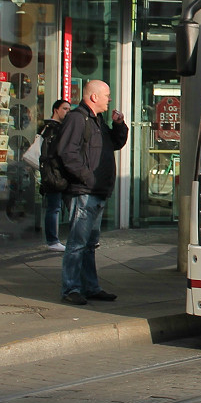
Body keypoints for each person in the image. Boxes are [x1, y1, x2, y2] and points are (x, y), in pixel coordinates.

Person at [58, 80, 129, 306]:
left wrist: (119, 125)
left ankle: (89, 287)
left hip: (97, 191)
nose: (110, 100)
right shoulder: (77, 119)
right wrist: (87, 176)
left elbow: (115, 144)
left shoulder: (96, 121)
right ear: (94, 97)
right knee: (78, 243)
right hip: (84, 191)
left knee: (89, 244)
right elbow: (66, 152)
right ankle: (71, 288)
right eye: (107, 95)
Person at [38, 98, 72, 251]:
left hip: (59, 173)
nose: (67, 112)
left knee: (66, 206)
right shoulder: (52, 129)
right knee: (54, 207)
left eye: (69, 109)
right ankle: (53, 240)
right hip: (53, 173)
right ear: (56, 110)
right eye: (65, 109)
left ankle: (62, 239)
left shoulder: (52, 128)